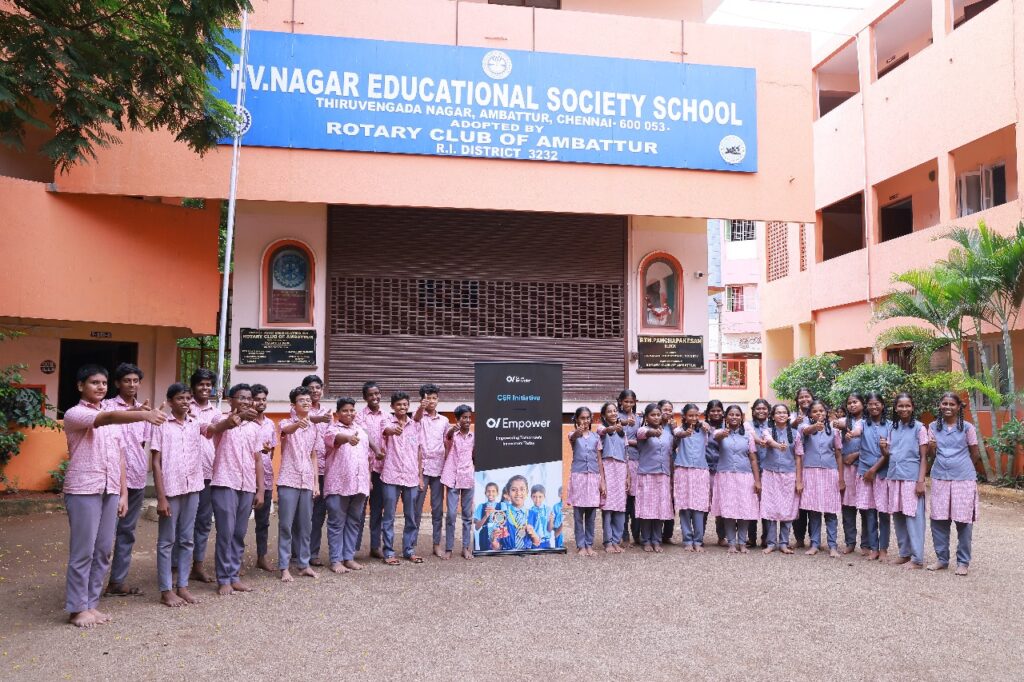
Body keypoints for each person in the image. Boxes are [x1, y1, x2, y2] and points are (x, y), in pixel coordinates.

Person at [62, 365, 166, 628]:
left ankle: (91, 604)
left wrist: (121, 493)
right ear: (80, 386)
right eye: (94, 383)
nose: (100, 387)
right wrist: (143, 414)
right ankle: (77, 608)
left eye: (104, 383)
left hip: (110, 489)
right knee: (83, 551)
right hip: (84, 488)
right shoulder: (76, 414)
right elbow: (106, 419)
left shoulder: (111, 417)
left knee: (103, 550)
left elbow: (119, 457)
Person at [202, 383, 265, 596]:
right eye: (241, 398)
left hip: (246, 484)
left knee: (239, 533)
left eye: (249, 398)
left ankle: (234, 575)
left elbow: (258, 459)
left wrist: (261, 490)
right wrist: (229, 422)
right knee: (226, 532)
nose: (246, 401)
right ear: (231, 400)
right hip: (224, 482)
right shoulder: (219, 419)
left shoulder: (256, 428)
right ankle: (223, 579)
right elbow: (213, 430)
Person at [150, 383, 203, 607]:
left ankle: (183, 586)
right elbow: (156, 461)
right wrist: (161, 497)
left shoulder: (195, 424)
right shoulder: (161, 425)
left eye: (188, 398)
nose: (185, 402)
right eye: (180, 398)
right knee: (166, 541)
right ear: (170, 402)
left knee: (187, 539)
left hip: (193, 488)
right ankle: (166, 589)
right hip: (170, 490)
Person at [103, 362, 150, 598]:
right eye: (127, 380)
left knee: (127, 532)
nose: (132, 385)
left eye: (135, 381)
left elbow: (141, 443)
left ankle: (117, 581)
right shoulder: (107, 407)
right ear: (117, 383)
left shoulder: (144, 410)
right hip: (111, 479)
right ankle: (93, 585)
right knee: (104, 533)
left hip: (137, 478)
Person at [927, 392, 981, 576]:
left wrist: (962, 468)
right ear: (940, 406)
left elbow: (975, 453)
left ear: (959, 407)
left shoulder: (967, 428)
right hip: (940, 477)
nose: (948, 407)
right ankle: (942, 559)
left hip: (963, 479)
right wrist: (932, 448)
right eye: (944, 403)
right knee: (939, 519)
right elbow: (932, 454)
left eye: (952, 404)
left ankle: (963, 562)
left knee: (963, 521)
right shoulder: (933, 427)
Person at [276, 386, 320, 582]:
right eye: (302, 400)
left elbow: (314, 455)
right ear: (293, 405)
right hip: (288, 480)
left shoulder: (314, 427)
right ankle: (284, 567)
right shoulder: (286, 422)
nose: (306, 402)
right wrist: (298, 424)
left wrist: (316, 483)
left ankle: (304, 564)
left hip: (307, 482)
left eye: (308, 400)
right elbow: (286, 430)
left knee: (306, 526)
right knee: (286, 525)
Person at [323, 397, 371, 573]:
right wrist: (347, 438)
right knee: (336, 522)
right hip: (338, 484)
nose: (349, 413)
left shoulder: (361, 431)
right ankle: (336, 560)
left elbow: (367, 457)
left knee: (354, 522)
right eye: (345, 410)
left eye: (352, 410)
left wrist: (369, 479)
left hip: (360, 484)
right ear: (337, 413)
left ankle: (348, 557)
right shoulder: (332, 429)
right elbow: (337, 438)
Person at [882, 393, 928, 570]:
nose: (904, 409)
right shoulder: (893, 428)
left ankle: (917, 558)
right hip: (894, 477)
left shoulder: (919, 428)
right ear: (895, 408)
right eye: (900, 406)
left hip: (911, 478)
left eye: (907, 406)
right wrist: (884, 449)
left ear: (913, 407)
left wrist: (921, 481)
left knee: (913, 517)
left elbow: (924, 457)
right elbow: (889, 454)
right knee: (899, 516)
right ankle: (904, 553)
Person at [380, 391, 425, 565]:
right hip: (391, 476)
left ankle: (409, 550)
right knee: (389, 516)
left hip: (411, 477)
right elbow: (385, 431)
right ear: (392, 406)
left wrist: (420, 476)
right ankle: (389, 552)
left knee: (411, 516)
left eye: (405, 404)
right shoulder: (387, 422)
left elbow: (419, 451)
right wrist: (392, 430)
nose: (402, 407)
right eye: (398, 404)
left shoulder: (415, 425)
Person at [711, 405, 761, 554]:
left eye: (737, 415)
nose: (734, 417)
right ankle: (731, 543)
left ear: (741, 417)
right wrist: (723, 433)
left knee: (745, 510)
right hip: (725, 476)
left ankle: (742, 542)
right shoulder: (720, 432)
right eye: (731, 414)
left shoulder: (748, 436)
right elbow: (716, 436)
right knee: (729, 510)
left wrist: (757, 480)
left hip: (745, 476)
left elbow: (753, 459)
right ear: (726, 417)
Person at [798, 400, 843, 557]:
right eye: (815, 411)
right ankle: (815, 544)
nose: (819, 414)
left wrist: (841, 478)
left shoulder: (834, 430)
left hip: (830, 473)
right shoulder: (804, 427)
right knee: (814, 511)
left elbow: (838, 453)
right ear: (810, 414)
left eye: (821, 411)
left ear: (826, 412)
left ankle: (832, 545)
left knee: (831, 511)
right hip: (811, 473)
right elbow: (805, 431)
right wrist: (814, 427)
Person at [188, 368, 220, 584]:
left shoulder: (217, 412)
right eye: (201, 384)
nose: (205, 388)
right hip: (186, 474)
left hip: (208, 473)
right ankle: (176, 565)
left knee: (203, 522)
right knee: (182, 521)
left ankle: (197, 566)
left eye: (209, 385)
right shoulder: (184, 407)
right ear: (193, 386)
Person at [298, 375, 332, 567]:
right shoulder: (298, 408)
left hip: (323, 468)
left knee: (319, 514)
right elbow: (301, 420)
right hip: (303, 469)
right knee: (301, 514)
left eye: (318, 387)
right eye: (311, 388)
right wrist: (317, 418)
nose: (315, 391)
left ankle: (313, 552)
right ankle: (297, 553)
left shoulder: (328, 412)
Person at [413, 383, 450, 559]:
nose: (432, 401)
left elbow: (447, 442)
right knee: (416, 508)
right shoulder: (419, 417)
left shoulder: (444, 421)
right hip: (421, 469)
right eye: (428, 398)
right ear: (422, 400)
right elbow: (417, 418)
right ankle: (411, 545)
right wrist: (422, 407)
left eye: (434, 398)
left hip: (439, 468)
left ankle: (436, 545)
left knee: (437, 509)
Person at [761, 404, 802, 555]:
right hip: (770, 474)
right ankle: (771, 543)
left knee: (787, 509)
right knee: (771, 508)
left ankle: (784, 543)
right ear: (772, 416)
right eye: (778, 413)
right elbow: (769, 441)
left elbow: (798, 457)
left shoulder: (796, 434)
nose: (781, 415)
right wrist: (779, 446)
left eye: (784, 412)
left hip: (789, 474)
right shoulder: (767, 431)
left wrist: (799, 480)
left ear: (788, 416)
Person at [855, 392, 892, 562]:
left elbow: (890, 453)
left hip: (883, 474)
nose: (874, 407)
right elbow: (856, 430)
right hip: (865, 474)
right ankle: (873, 548)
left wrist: (874, 470)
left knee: (883, 513)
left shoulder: (891, 426)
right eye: (870, 404)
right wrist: (848, 431)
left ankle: (884, 549)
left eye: (877, 403)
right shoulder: (862, 423)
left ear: (882, 405)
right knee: (869, 513)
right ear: (866, 407)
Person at [635, 403, 674, 553]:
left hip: (663, 475)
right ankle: (646, 540)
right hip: (647, 475)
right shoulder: (642, 430)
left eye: (658, 414)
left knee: (660, 509)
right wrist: (653, 432)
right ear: (646, 417)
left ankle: (657, 540)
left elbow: (670, 453)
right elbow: (643, 434)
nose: (656, 417)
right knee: (647, 510)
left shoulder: (668, 432)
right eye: (653, 415)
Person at [672, 404, 711, 552]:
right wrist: (685, 433)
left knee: (699, 507)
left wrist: (705, 425)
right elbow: (677, 434)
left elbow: (714, 432)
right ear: (684, 416)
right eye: (690, 415)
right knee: (684, 507)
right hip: (683, 470)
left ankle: (698, 540)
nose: (694, 418)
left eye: (696, 415)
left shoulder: (704, 430)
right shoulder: (679, 430)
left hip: (700, 471)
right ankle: (687, 539)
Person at [355, 381, 387, 558]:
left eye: (377, 393)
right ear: (365, 397)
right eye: (371, 395)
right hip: (363, 468)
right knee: (358, 510)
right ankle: (353, 548)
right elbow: (364, 435)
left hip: (381, 469)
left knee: (377, 509)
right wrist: (375, 450)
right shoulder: (359, 416)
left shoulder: (387, 416)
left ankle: (376, 546)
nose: (375, 397)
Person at [441, 404, 475, 560]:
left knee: (467, 515)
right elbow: (447, 438)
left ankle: (466, 548)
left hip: (467, 477)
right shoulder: (452, 435)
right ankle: (448, 548)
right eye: (464, 417)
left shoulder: (474, 437)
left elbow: (475, 456)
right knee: (451, 515)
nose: (467, 420)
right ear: (457, 419)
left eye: (469, 417)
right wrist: (451, 431)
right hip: (452, 478)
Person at [250, 384, 279, 572]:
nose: (261, 402)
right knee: (238, 521)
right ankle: (232, 560)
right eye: (257, 399)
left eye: (263, 399)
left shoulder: (270, 424)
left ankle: (262, 557)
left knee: (263, 521)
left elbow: (273, 450)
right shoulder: (245, 422)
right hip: (245, 478)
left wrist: (267, 451)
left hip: (266, 478)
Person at [567, 406, 602, 555]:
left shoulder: (596, 437)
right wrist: (577, 432)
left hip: (593, 477)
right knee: (578, 514)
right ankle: (581, 545)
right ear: (576, 419)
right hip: (579, 477)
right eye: (582, 418)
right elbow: (573, 438)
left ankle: (589, 544)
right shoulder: (573, 435)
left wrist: (602, 480)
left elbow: (599, 460)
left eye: (588, 418)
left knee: (591, 514)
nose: (585, 420)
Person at [835, 394, 866, 555]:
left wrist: (856, 454)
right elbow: (834, 424)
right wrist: (838, 424)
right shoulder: (844, 422)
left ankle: (867, 543)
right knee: (847, 507)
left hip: (864, 468)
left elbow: (872, 445)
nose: (852, 405)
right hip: (847, 469)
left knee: (866, 507)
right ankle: (850, 541)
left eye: (855, 402)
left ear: (863, 403)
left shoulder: (869, 422)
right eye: (849, 403)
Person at [598, 402, 628, 553]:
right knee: (608, 508)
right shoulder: (601, 428)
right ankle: (608, 541)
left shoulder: (623, 433)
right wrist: (613, 428)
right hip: (608, 468)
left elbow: (627, 455)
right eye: (609, 411)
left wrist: (628, 475)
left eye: (615, 411)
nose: (613, 413)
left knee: (620, 508)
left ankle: (617, 540)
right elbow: (604, 431)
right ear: (604, 415)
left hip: (621, 469)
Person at [789, 387, 815, 548]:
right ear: (797, 400)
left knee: (811, 501)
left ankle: (814, 538)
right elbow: (786, 430)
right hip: (796, 462)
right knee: (797, 501)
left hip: (813, 464)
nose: (805, 399)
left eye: (807, 396)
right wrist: (794, 423)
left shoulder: (817, 414)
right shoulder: (792, 416)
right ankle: (799, 538)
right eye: (801, 397)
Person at [489, 475, 540, 551]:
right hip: (506, 558)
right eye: (513, 490)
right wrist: (493, 540)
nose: (518, 493)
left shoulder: (535, 515)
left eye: (522, 489)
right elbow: (496, 547)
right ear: (508, 494)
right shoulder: (499, 515)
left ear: (527, 493)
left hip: (527, 557)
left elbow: (538, 543)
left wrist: (534, 534)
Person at [616, 390, 641, 546]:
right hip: (619, 461)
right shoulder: (615, 417)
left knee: (635, 500)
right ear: (620, 401)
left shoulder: (639, 419)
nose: (629, 404)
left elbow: (643, 439)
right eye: (626, 401)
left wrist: (633, 442)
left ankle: (636, 534)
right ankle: (623, 535)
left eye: (631, 402)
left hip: (636, 460)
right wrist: (630, 440)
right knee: (623, 500)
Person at [746, 398, 772, 548]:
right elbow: (751, 436)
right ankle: (751, 537)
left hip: (769, 469)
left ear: (768, 411)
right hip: (751, 469)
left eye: (764, 408)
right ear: (753, 410)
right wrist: (759, 440)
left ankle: (767, 537)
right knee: (752, 502)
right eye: (758, 408)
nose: (761, 411)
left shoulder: (773, 425)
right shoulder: (747, 424)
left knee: (767, 504)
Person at [703, 400, 726, 546]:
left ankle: (721, 536)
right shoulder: (702, 427)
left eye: (718, 411)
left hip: (722, 469)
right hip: (705, 469)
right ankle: (700, 535)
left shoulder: (728, 427)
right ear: (708, 413)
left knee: (721, 503)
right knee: (703, 504)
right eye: (713, 411)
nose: (716, 413)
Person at [658, 400, 677, 544]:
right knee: (658, 498)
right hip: (657, 466)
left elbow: (676, 445)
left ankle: (667, 534)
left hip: (672, 465)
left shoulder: (673, 427)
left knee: (671, 498)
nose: (668, 412)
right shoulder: (652, 425)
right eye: (665, 409)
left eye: (670, 410)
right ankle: (655, 533)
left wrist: (675, 431)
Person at [474, 482, 502, 551]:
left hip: (498, 533)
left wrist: (495, 512)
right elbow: (477, 527)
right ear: (485, 493)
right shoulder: (481, 506)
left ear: (497, 493)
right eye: (488, 491)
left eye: (493, 491)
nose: (491, 493)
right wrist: (486, 516)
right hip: (484, 535)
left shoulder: (502, 506)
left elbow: (504, 523)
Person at [528, 485, 553, 550]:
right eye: (534, 497)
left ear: (544, 497)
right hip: (535, 543)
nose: (537, 499)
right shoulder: (530, 511)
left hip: (546, 542)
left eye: (540, 497)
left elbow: (549, 529)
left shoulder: (548, 510)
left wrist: (551, 521)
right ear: (531, 497)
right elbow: (530, 529)